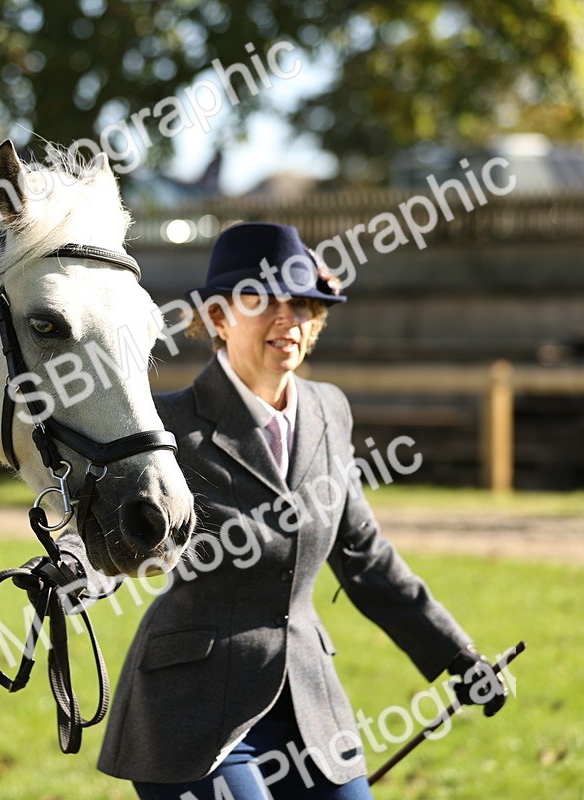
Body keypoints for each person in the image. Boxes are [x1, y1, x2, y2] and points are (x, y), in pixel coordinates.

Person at [88, 222, 508, 800]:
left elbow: (368, 561)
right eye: (263, 301)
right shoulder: (165, 427)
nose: (289, 319)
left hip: (309, 706)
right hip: (191, 713)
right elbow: (113, 539)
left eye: (304, 303)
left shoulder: (330, 411)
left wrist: (458, 657)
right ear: (217, 318)